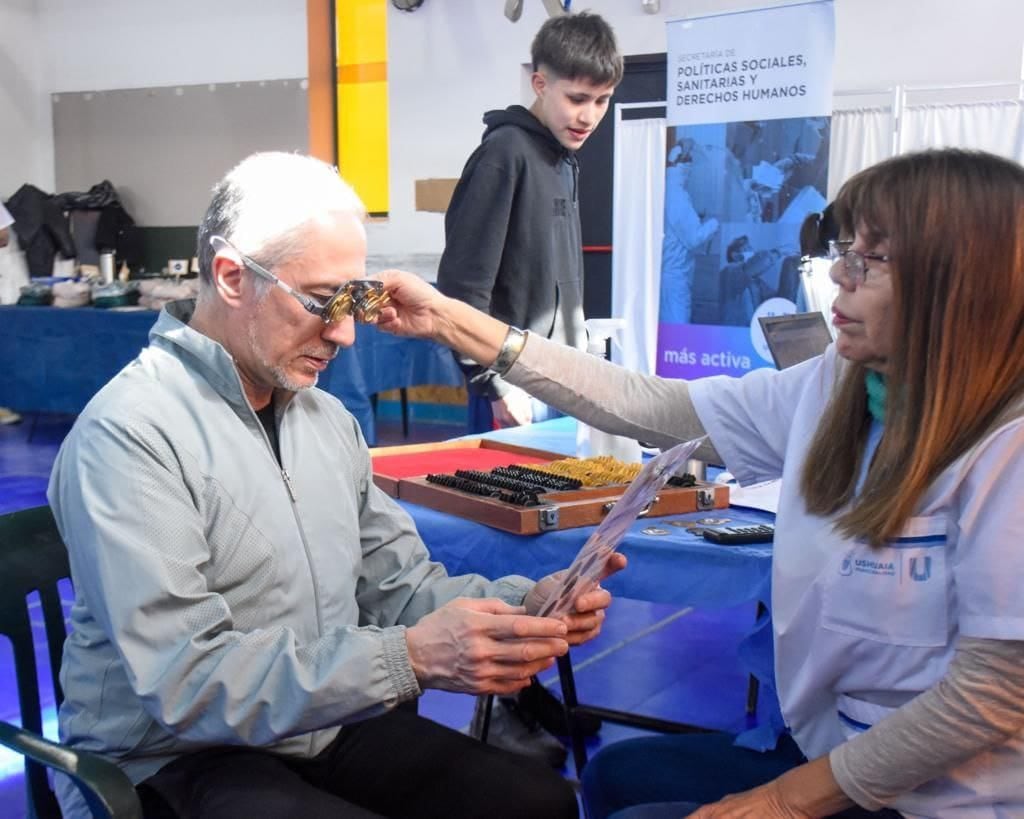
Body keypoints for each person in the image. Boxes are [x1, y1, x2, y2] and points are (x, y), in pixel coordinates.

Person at [374, 148, 1024, 818]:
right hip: (832, 746)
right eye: (843, 250)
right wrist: (454, 322)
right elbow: (655, 408)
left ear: (958, 282)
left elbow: (993, 693)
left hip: (943, 796)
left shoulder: (1008, 444)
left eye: (870, 259)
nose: (838, 275)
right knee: (617, 777)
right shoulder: (842, 383)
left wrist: (784, 801)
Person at [47, 152, 626, 819]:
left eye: (360, 300)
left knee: (537, 802)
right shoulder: (132, 434)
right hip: (173, 754)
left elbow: (399, 585)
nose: (347, 333)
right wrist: (408, 657)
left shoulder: (322, 419)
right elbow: (188, 681)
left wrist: (525, 606)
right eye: (325, 302)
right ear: (233, 277)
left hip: (313, 723)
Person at [436, 11, 622, 433]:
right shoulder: (504, 155)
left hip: (566, 379)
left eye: (602, 100)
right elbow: (462, 290)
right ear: (540, 84)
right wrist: (493, 383)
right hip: (514, 386)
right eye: (576, 99)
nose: (589, 117)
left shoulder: (564, 161)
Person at [660, 142, 720, 324]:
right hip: (675, 277)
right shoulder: (676, 195)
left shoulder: (668, 190)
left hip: (671, 275)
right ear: (684, 164)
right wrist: (714, 223)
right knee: (677, 328)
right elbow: (694, 238)